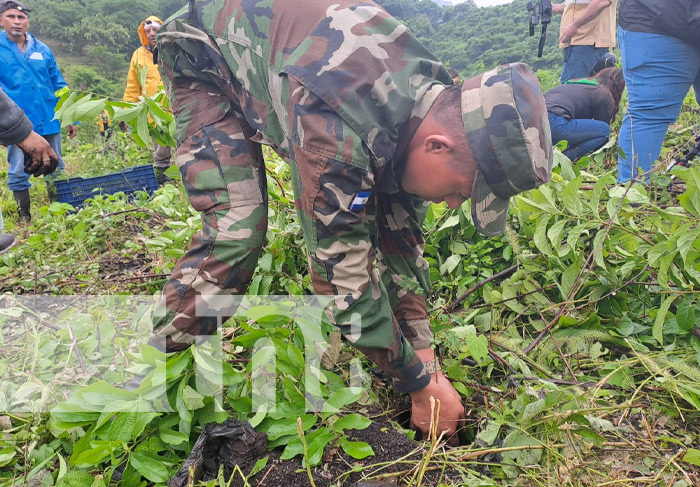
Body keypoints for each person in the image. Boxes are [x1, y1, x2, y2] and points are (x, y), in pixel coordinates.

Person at [151, 0, 552, 442]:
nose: (456, 204)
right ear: (437, 146)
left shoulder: (433, 98)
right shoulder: (337, 125)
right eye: (463, 190)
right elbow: (340, 282)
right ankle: (148, 365)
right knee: (238, 228)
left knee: (388, 198)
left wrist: (424, 356)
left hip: (289, 65)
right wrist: (417, 385)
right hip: (202, 57)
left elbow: (401, 242)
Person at [0, 0, 76, 222]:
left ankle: (60, 210)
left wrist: (70, 116)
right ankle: (25, 217)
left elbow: (59, 84)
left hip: (49, 117)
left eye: (21, 17)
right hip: (18, 123)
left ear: (28, 21)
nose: (17, 22)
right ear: (1, 20)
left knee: (56, 163)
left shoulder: (43, 49)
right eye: (11, 16)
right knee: (18, 169)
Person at [616, 0, 700, 182]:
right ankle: (632, 196)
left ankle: (633, 196)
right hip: (659, 23)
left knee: (649, 114)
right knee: (650, 114)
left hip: (658, 22)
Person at [0, 86, 59, 253]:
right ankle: (24, 216)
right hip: (13, 119)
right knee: (19, 171)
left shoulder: (46, 57)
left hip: (44, 119)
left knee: (54, 166)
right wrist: (19, 130)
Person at [122, 15, 173, 185]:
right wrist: (125, 113)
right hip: (154, 115)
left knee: (186, 147)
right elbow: (133, 86)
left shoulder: (173, 48)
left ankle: (187, 182)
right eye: (148, 31)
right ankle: (166, 185)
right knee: (161, 153)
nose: (152, 34)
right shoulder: (138, 55)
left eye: (155, 30)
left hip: (177, 110)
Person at [546, 67, 626, 161]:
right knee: (604, 130)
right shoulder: (603, 94)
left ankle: (554, 160)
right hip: (555, 123)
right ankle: (561, 161)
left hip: (536, 123)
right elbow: (602, 136)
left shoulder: (580, 84)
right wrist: (605, 156)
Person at [551, 0, 618, 84]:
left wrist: (574, 26)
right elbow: (576, 4)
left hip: (587, 41)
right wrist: (555, 8)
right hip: (582, 41)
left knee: (571, 89)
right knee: (589, 90)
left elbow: (601, 2)